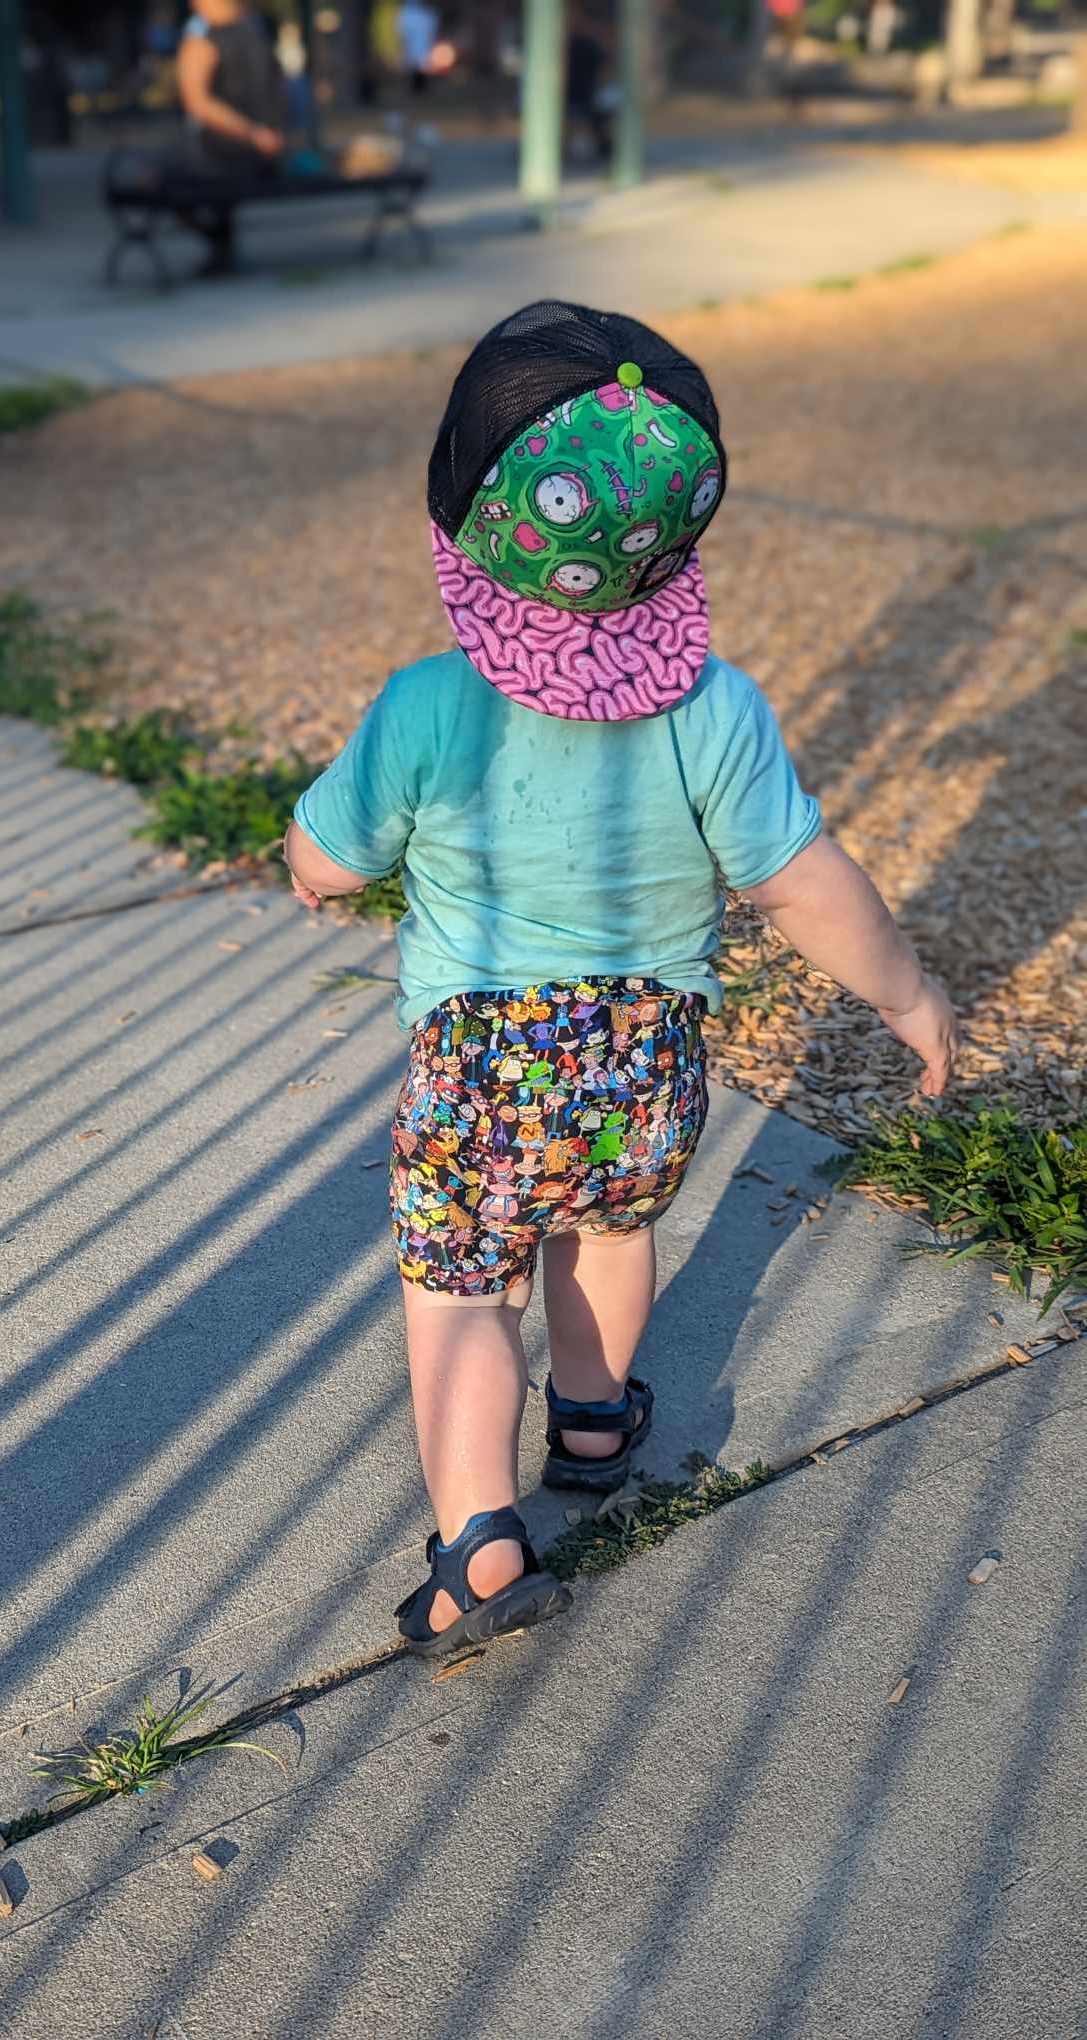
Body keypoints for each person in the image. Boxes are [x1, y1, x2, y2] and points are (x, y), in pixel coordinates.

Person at [284, 302, 957, 1657]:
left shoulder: (428, 705)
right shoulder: (714, 705)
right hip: (648, 1054)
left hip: (480, 1059)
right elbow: (802, 880)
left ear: (464, 518)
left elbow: (329, 855)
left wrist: (310, 871)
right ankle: (593, 1417)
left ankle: (479, 1541)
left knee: (467, 1287)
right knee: (609, 1228)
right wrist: (907, 997)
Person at [173, 0, 287, 276]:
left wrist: (251, 133)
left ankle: (218, 246)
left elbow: (198, 103)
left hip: (227, 149)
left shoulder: (202, 41)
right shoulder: (260, 35)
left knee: (159, 176)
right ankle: (220, 247)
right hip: (263, 148)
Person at [565, 3, 613, 165]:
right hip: (577, 97)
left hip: (585, 97)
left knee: (602, 107)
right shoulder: (574, 44)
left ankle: (603, 144)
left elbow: (603, 73)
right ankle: (602, 144)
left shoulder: (586, 45)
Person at [396, 0, 439, 96]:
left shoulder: (424, 14)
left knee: (419, 69)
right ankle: (416, 91)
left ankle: (420, 91)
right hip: (417, 53)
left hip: (420, 52)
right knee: (416, 69)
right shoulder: (408, 13)